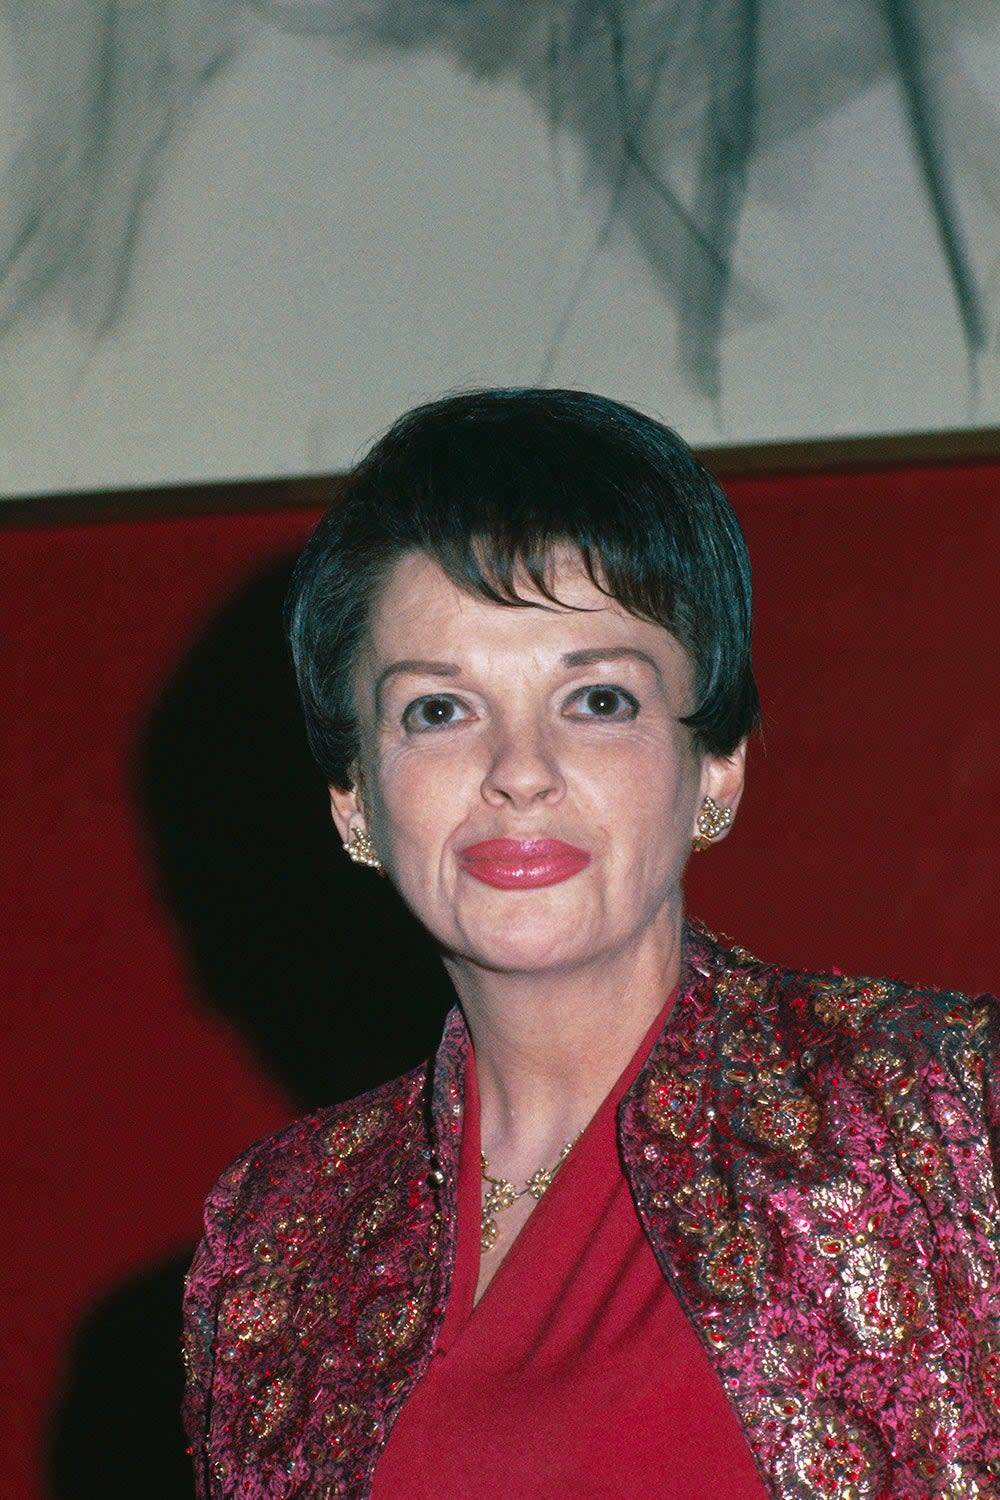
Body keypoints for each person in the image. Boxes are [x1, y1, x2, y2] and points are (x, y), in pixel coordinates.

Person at [182, 389, 1000, 1499]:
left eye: (598, 698)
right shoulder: (277, 1235)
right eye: (438, 710)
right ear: (353, 800)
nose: (520, 769)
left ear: (715, 764)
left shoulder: (945, 1114)